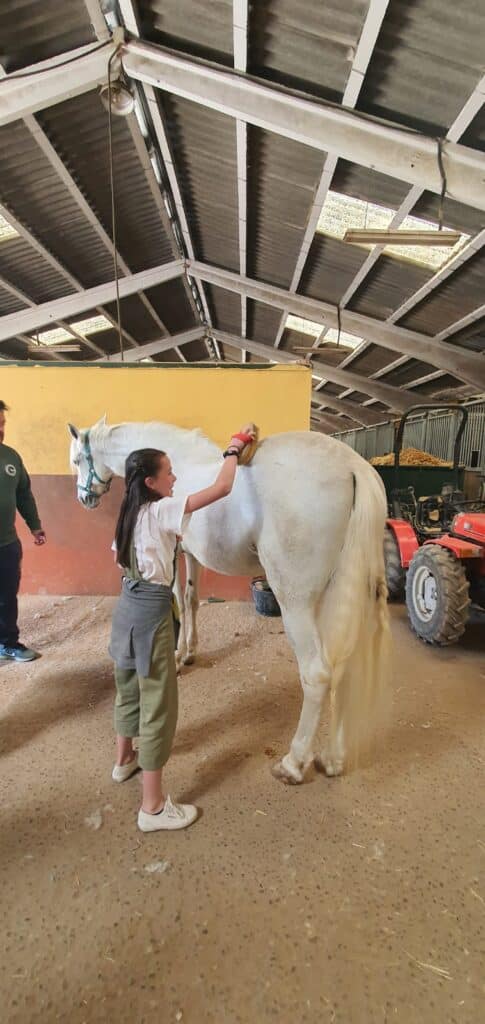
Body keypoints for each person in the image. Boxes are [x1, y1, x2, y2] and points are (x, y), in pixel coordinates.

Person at [109, 424, 255, 833]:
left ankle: (124, 761)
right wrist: (233, 449)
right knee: (158, 703)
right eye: (169, 473)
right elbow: (223, 489)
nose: (175, 478)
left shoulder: (128, 513)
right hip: (152, 613)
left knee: (129, 688)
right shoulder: (162, 509)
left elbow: (122, 562)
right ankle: (152, 808)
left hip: (125, 610)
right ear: (152, 482)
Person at [0, 400, 46, 662]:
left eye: (2, 424)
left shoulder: (10, 457)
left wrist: (35, 525)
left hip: (6, 544)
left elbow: (23, 494)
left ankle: (8, 643)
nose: (1, 429)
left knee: (7, 597)